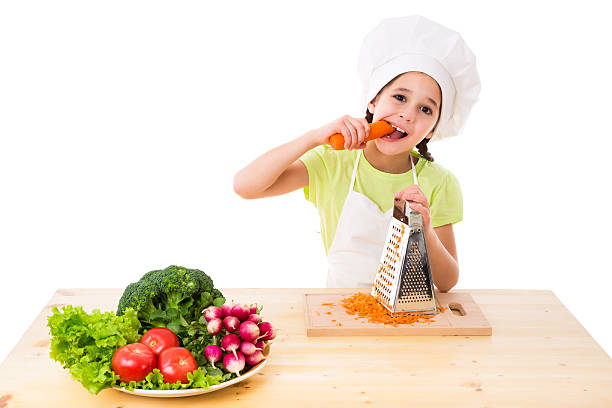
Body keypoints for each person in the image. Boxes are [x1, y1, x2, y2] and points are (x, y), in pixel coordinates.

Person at [233, 16, 480, 291]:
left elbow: (446, 283)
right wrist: (314, 137)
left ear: (433, 129)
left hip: (409, 324)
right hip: (340, 314)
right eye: (400, 97)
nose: (407, 114)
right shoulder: (332, 162)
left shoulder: (440, 182)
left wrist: (427, 231)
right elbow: (245, 186)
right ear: (373, 101)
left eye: (425, 109)